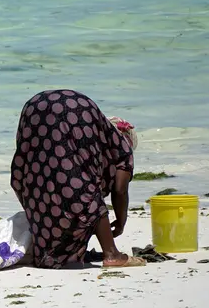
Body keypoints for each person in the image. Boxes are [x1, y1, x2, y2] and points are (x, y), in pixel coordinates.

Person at [10, 89, 146, 269]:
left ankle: (50, 249)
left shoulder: (82, 138)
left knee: (39, 178)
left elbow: (64, 190)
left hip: (34, 107)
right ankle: (112, 254)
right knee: (85, 189)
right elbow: (119, 189)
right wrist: (121, 221)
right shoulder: (121, 146)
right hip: (75, 106)